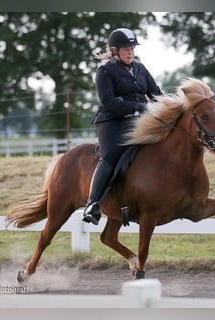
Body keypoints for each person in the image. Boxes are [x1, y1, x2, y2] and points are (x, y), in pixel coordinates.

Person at [82, 27, 163, 225]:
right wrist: (139, 107)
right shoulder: (105, 71)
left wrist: (172, 106)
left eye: (132, 48)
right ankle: (93, 204)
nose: (130, 52)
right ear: (115, 51)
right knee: (110, 157)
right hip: (111, 122)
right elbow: (108, 102)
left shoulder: (140, 68)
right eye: (126, 48)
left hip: (138, 121)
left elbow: (156, 94)